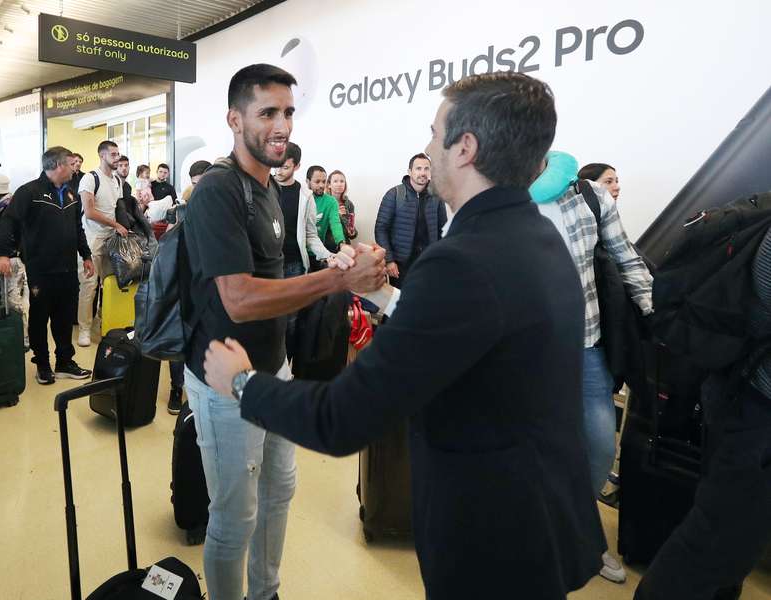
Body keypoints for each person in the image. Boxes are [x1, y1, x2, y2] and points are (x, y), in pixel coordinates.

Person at [202, 71, 608, 600]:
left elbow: (343, 418)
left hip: (494, 540)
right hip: (545, 520)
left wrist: (241, 385)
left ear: (465, 148)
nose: (426, 148)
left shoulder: (462, 261)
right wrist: (386, 298)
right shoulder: (537, 237)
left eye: (434, 133)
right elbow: (477, 335)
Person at [183, 63, 384, 600]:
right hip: (223, 380)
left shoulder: (269, 188)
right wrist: (335, 280)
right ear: (234, 119)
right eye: (268, 112)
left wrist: (344, 269)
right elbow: (239, 298)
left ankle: (265, 592)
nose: (283, 125)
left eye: (288, 112)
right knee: (234, 515)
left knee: (280, 491)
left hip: (272, 367)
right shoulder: (218, 192)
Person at [531, 150, 653, 584]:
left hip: (586, 345)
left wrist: (653, 310)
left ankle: (578, 530)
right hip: (529, 355)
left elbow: (625, 256)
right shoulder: (505, 200)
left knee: (600, 445)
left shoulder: (590, 195)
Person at [634, 231, 771, 600]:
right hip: (751, 405)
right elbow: (758, 312)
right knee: (713, 536)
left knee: (739, 537)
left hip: (746, 402)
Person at [0, 146, 94, 384]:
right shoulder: (29, 192)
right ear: (59, 165)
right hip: (41, 269)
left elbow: (77, 228)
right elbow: (8, 222)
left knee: (64, 317)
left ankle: (64, 361)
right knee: (40, 317)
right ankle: (42, 364)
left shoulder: (71, 193)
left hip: (68, 268)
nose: (74, 168)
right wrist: (2, 255)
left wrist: (87, 255)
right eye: (71, 164)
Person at [274, 142, 334, 358]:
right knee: (267, 323)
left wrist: (328, 255)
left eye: (284, 167)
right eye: (276, 166)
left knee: (290, 323)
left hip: (293, 267)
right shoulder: (262, 188)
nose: (278, 171)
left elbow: (310, 235)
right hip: (266, 267)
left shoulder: (305, 196)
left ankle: (287, 370)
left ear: (297, 166)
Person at [76, 140, 126, 348]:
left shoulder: (117, 180)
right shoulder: (90, 178)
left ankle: (104, 320)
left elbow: (118, 208)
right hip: (92, 238)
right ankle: (84, 329)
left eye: (118, 154)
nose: (117, 158)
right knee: (89, 285)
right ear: (102, 155)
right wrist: (115, 224)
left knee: (110, 283)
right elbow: (89, 211)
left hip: (111, 239)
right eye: (113, 154)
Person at [374, 153, 448, 288]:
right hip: (401, 265)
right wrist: (389, 260)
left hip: (428, 263)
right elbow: (381, 229)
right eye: (418, 168)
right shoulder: (394, 194)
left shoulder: (437, 195)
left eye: (426, 169)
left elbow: (443, 230)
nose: (423, 173)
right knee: (401, 305)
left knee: (427, 303)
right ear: (410, 172)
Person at [0, 172, 29, 348]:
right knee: (13, 298)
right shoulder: (10, 201)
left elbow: (2, 230)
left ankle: (22, 337)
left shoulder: (4, 206)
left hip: (11, 259)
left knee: (13, 299)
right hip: (13, 257)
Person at [305, 165, 346, 253]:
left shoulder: (331, 201)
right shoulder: (302, 199)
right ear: (308, 182)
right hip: (300, 252)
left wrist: (341, 243)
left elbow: (335, 224)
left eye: (324, 181)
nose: (321, 185)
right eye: (317, 182)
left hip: (319, 252)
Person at [327, 170, 357, 243]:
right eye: (335, 181)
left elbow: (351, 231)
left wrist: (352, 232)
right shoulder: (325, 202)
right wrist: (337, 215)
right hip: (327, 247)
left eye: (342, 181)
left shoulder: (349, 204)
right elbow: (320, 227)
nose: (339, 184)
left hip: (344, 245)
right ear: (329, 185)